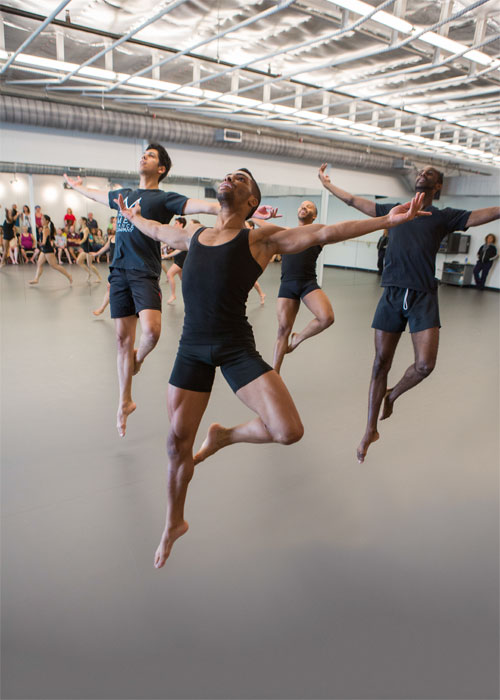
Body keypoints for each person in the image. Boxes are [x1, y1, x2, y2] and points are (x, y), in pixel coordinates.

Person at [116, 167, 428, 568]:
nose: (231, 177)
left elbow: (323, 233)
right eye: (229, 175)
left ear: (252, 203)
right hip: (191, 349)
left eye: (242, 179)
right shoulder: (193, 235)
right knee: (177, 443)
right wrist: (132, 217)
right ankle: (173, 522)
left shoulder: (259, 239)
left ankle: (226, 436)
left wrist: (387, 220)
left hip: (234, 348)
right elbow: (157, 231)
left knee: (288, 430)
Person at [318, 162, 500, 463]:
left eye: (430, 173)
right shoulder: (393, 210)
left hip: (423, 295)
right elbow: (354, 201)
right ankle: (369, 430)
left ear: (438, 186)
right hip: (391, 293)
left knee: (425, 365)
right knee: (379, 364)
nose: (422, 174)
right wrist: (328, 185)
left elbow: (487, 214)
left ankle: (391, 395)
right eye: (421, 172)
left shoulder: (443, 216)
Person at [63, 142, 223, 438]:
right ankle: (124, 402)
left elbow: (202, 205)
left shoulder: (163, 198)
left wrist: (235, 207)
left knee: (151, 332)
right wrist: (76, 187)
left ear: (161, 168)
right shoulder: (124, 194)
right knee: (123, 340)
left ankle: (137, 360)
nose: (143, 157)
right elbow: (98, 195)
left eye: (150, 156)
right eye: (144, 154)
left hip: (144, 272)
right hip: (120, 272)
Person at [272, 201, 334, 373]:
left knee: (326, 317)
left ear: (314, 216)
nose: (304, 207)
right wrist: (259, 215)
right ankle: (275, 374)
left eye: (309, 207)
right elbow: (261, 226)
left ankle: (298, 338)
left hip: (308, 283)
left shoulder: (319, 235)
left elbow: (342, 231)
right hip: (287, 285)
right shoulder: (286, 233)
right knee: (283, 329)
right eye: (301, 205)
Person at [29, 214, 73, 285]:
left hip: (48, 250)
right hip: (44, 250)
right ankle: (36, 279)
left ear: (47, 221)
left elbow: (43, 242)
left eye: (43, 219)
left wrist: (36, 243)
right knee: (39, 264)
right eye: (41, 219)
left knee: (54, 266)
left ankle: (69, 276)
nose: (41, 220)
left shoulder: (46, 230)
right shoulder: (43, 228)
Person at [91, 219, 116, 316]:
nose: (112, 224)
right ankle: (102, 308)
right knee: (110, 287)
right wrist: (96, 254)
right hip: (114, 267)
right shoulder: (111, 238)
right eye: (112, 222)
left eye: (114, 222)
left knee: (111, 287)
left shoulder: (123, 237)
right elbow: (104, 248)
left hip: (122, 267)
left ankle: (102, 308)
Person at [164, 217, 188, 304]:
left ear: (181, 224)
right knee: (183, 280)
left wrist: (167, 256)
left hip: (182, 259)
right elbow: (169, 242)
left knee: (169, 274)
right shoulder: (176, 233)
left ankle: (173, 295)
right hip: (178, 259)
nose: (174, 225)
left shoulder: (183, 234)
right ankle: (193, 293)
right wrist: (159, 248)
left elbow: (179, 249)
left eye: (176, 223)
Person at [75, 216, 102, 283]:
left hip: (88, 249)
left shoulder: (86, 229)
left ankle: (99, 277)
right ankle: (89, 273)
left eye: (80, 220)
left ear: (84, 221)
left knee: (89, 264)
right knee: (78, 261)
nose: (79, 221)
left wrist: (79, 242)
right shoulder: (81, 229)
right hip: (84, 249)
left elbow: (84, 238)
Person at [246, 220, 266, 304]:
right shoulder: (244, 235)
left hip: (252, 260)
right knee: (250, 280)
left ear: (251, 227)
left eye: (246, 226)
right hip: (245, 259)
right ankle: (261, 294)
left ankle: (261, 294)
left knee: (250, 280)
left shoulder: (255, 236)